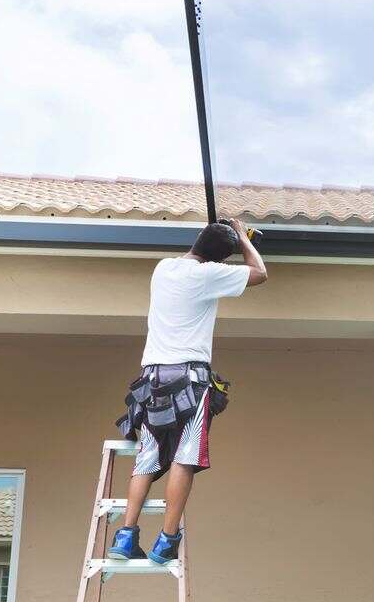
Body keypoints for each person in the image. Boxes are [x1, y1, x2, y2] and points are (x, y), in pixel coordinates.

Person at [108, 218, 267, 564]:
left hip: (151, 380)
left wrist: (219, 238)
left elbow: (197, 254)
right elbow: (259, 273)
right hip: (190, 381)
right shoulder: (209, 276)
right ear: (219, 261)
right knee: (184, 458)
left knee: (147, 459)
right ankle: (166, 540)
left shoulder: (163, 269)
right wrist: (243, 238)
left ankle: (125, 537)